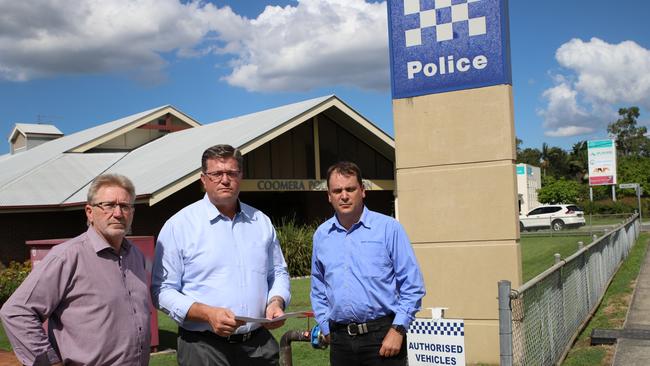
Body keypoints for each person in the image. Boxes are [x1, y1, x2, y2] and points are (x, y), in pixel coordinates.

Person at [152, 144, 290, 366]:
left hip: (258, 346)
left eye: (231, 173)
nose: (225, 180)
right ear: (203, 179)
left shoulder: (261, 222)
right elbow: (162, 290)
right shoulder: (179, 226)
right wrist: (207, 314)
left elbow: (278, 272)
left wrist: (276, 301)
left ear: (240, 176)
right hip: (203, 348)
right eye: (216, 174)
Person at [0, 174, 151, 366]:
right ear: (89, 212)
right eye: (109, 205)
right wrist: (49, 362)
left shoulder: (135, 256)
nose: (118, 213)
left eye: (125, 206)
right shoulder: (66, 257)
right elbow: (16, 312)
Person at [310, 161, 426, 366]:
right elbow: (318, 287)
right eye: (337, 190)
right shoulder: (322, 235)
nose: (344, 195)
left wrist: (398, 329)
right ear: (329, 195)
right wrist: (326, 328)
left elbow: (412, 285)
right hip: (340, 341)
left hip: (382, 338)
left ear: (362, 191)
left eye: (350, 189)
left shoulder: (389, 229)